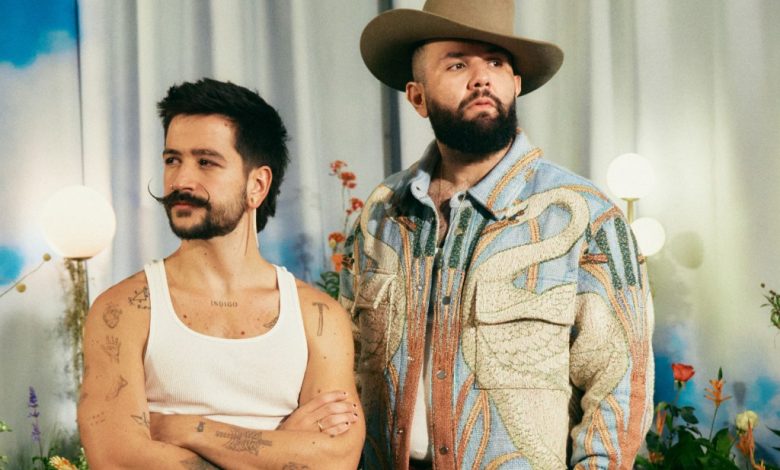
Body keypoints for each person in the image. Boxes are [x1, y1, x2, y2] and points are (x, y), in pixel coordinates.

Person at [340, 1, 654, 468]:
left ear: (516, 84)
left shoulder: (587, 216)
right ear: (417, 96)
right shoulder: (381, 214)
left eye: (496, 62)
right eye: (458, 64)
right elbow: (349, 362)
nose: (481, 77)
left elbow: (618, 388)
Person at [78, 78, 364, 469]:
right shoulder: (123, 311)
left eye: (206, 162)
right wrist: (282, 447)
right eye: (172, 159)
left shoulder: (318, 317)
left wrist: (188, 429)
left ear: (257, 185)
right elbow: (118, 460)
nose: (180, 180)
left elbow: (335, 461)